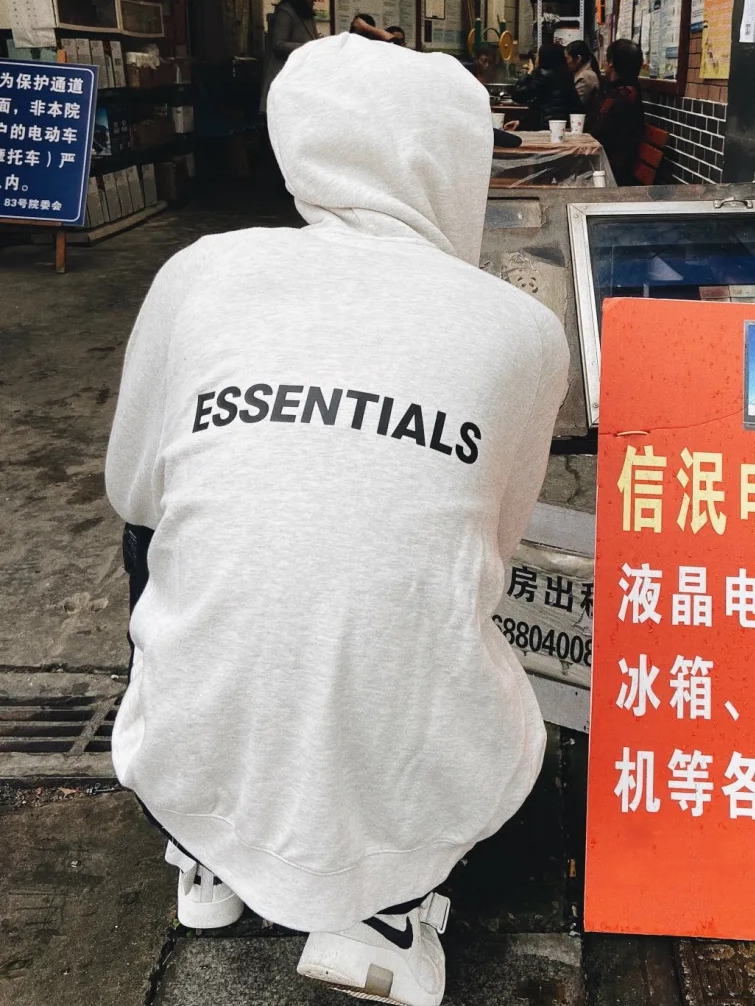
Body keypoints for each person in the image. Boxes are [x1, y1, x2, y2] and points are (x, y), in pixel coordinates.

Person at [106, 33, 568, 1006]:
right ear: (460, 162)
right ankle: (387, 902)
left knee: (160, 531)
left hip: (185, 753)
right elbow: (492, 540)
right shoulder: (521, 328)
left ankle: (203, 834)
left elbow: (131, 490)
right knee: (437, 578)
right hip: (407, 776)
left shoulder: (200, 273)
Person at [589, 38, 644, 185]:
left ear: (611, 64)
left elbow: (598, 133)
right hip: (618, 162)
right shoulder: (630, 91)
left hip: (613, 168)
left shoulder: (620, 96)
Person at [259, 0, 318, 115]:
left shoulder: (307, 14)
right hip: (284, 79)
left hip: (301, 80)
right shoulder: (286, 11)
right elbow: (278, 44)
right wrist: (308, 47)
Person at [511, 42, 582, 129]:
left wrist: (528, 73)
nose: (536, 59)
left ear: (544, 58)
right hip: (562, 126)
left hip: (546, 126)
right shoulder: (566, 75)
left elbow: (517, 95)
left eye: (538, 56)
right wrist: (520, 123)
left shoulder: (544, 76)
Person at [564, 39, 601, 122]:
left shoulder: (585, 77)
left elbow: (574, 105)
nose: (565, 62)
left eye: (567, 59)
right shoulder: (582, 73)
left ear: (578, 59)